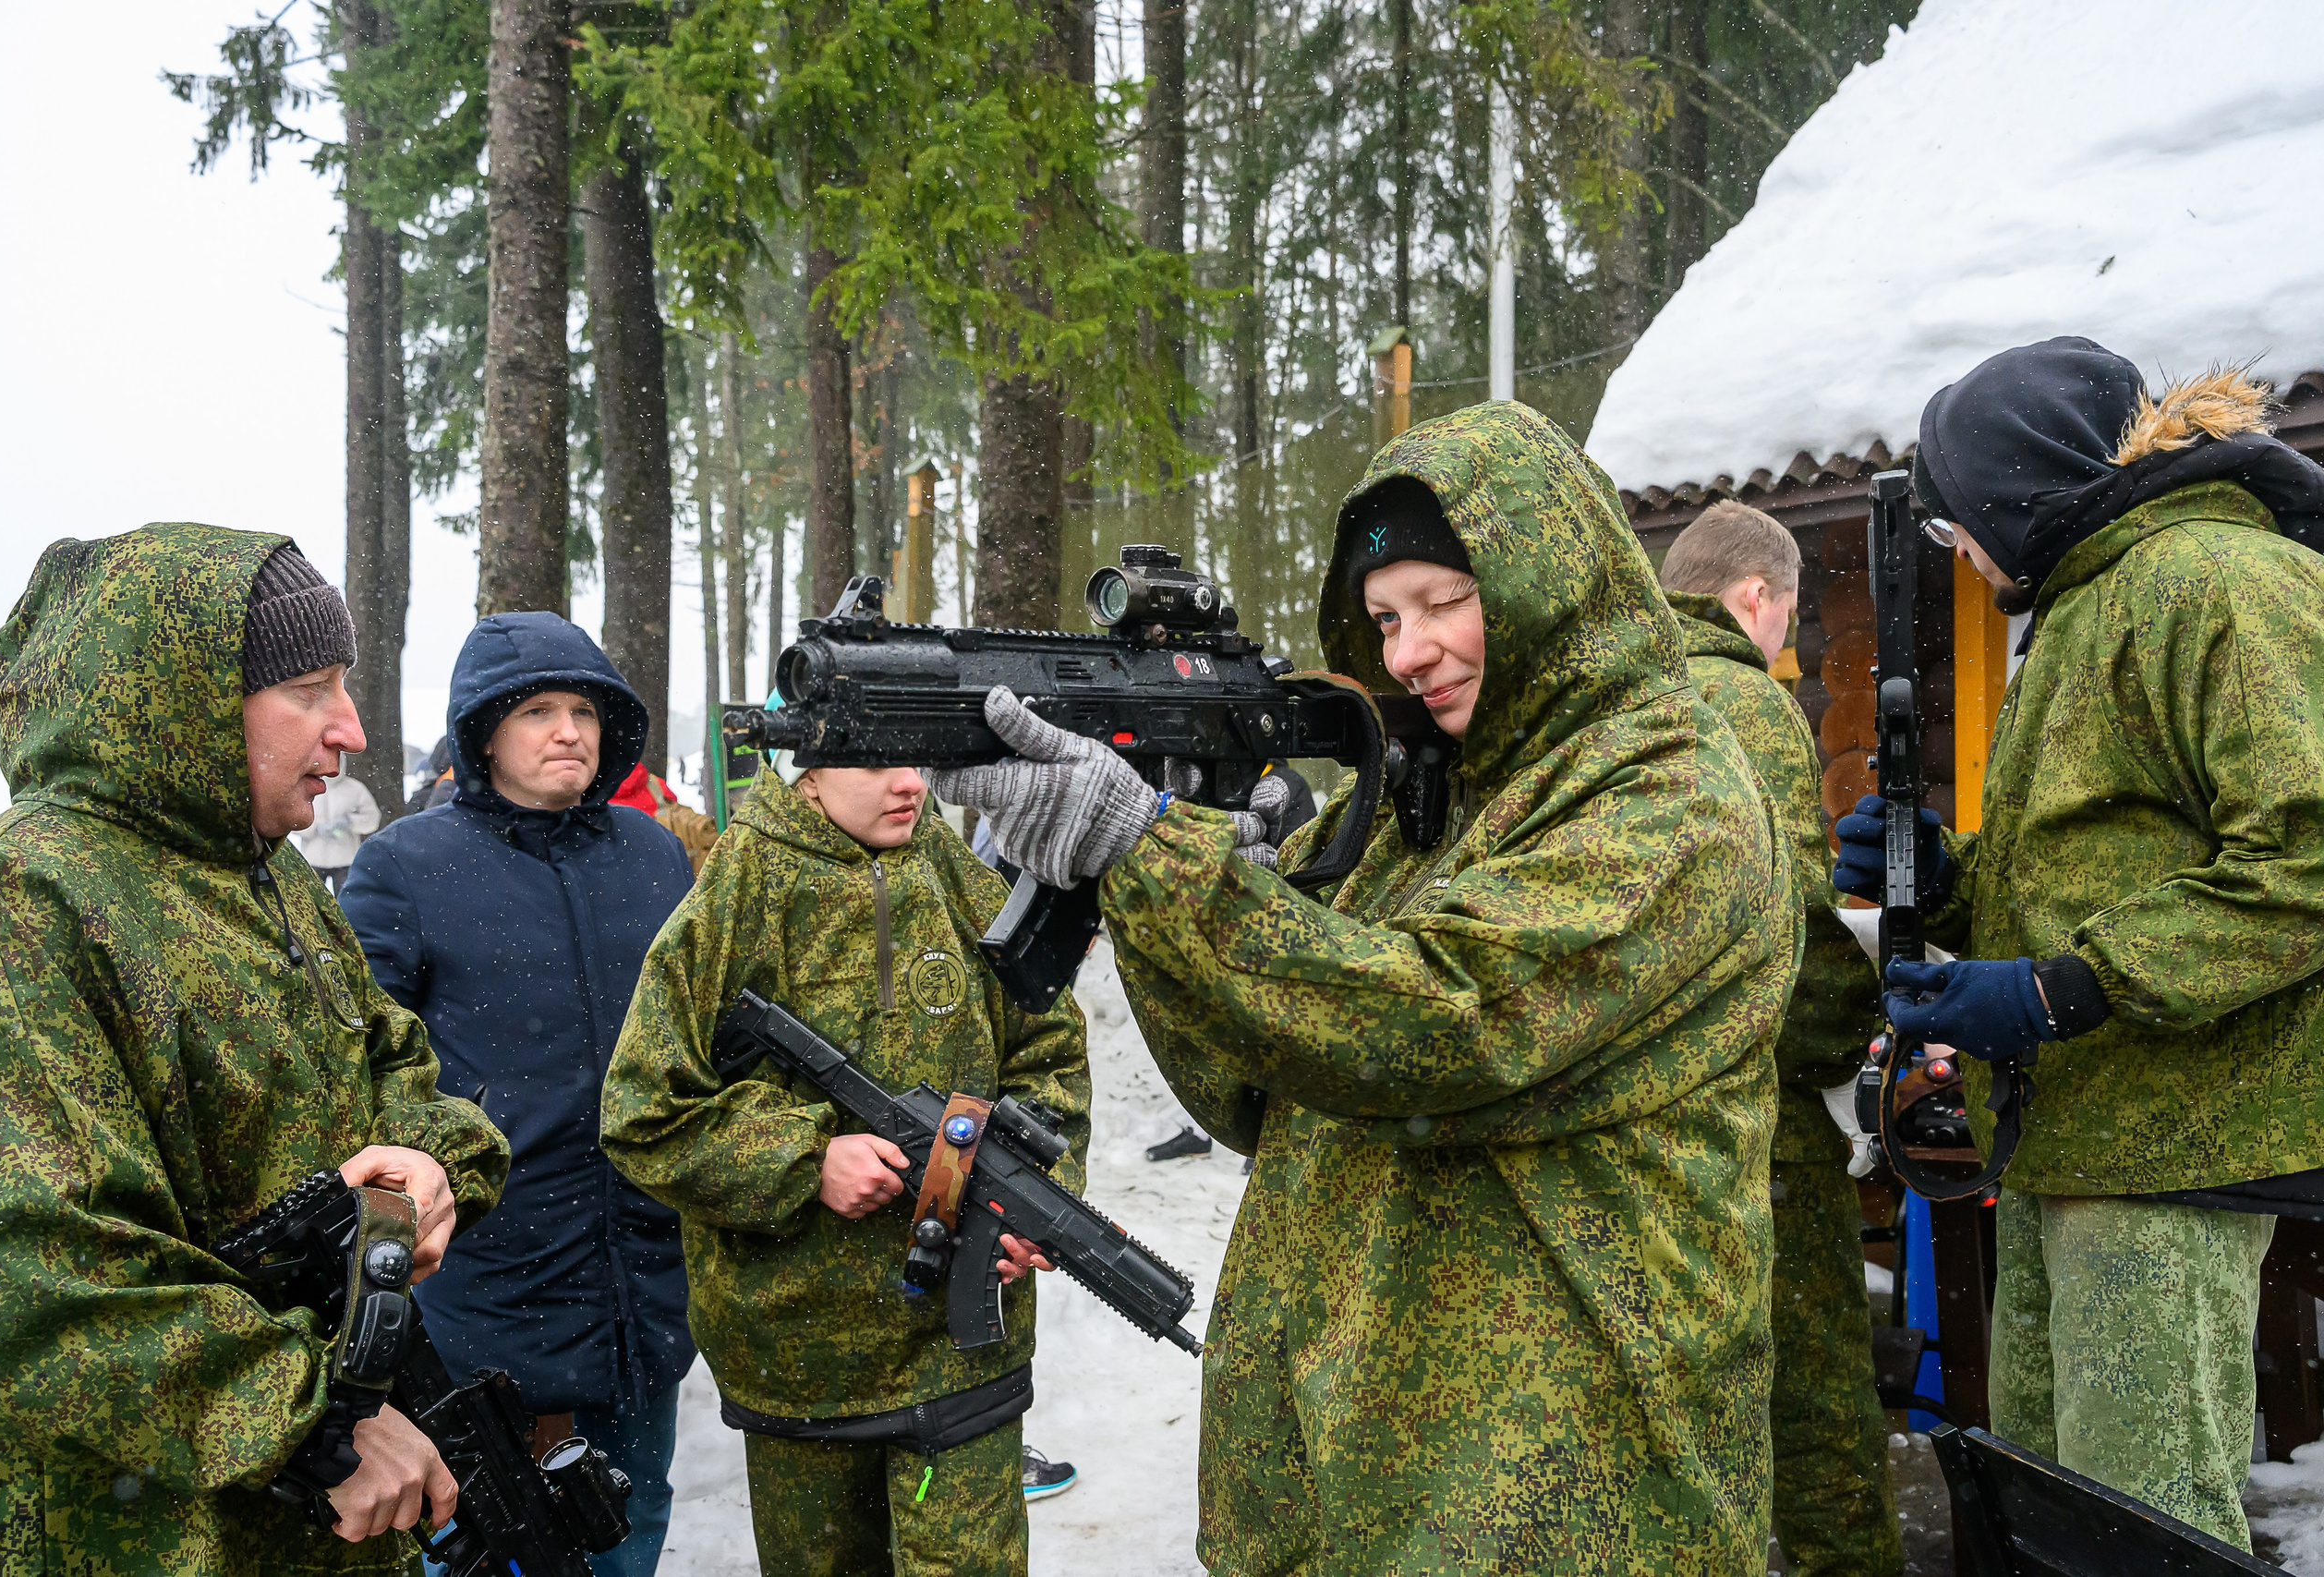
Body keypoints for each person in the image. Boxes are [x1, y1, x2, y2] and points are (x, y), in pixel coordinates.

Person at [934, 401, 1801, 1574]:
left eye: (1445, 602)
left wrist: (1155, 857)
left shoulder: (1674, 795)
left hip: (1559, 1490)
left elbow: (1440, 1023)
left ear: (1551, 583)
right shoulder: (1418, 799)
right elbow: (1254, 1085)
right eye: (1386, 619)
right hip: (1357, 1470)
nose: (1407, 654)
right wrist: (1186, 881)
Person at [1834, 339, 2324, 1548]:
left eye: (1955, 521)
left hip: (2172, 1146)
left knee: (2144, 1524)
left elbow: (2306, 858)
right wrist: (1940, 880)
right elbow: (2093, 860)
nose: (1957, 549)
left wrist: (2065, 989)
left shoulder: (2218, 583)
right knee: (2054, 1514)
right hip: (2076, 1140)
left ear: (2013, 489)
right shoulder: (2088, 603)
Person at [0, 526, 508, 1574]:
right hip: (127, 1534)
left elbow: (395, 1065)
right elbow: (25, 1265)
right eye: (308, 689)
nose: (350, 727)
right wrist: (309, 1423)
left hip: (312, 1526)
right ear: (184, 699)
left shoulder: (273, 876)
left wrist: (431, 1163)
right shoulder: (20, 897)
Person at [599, 732, 1090, 1576]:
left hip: (964, 1353)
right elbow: (643, 1113)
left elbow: (1050, 1051)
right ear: (810, 767)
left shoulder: (962, 881)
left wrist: (1036, 1191)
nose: (909, 782)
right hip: (800, 1362)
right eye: (875, 761)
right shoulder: (739, 892)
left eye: (915, 758)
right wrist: (806, 1159)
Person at [340, 613, 697, 1577]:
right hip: (490, 1291)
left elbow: (706, 1035)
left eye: (585, 709)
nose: (568, 731)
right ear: (484, 732)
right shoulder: (406, 866)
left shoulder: (653, 854)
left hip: (644, 1288)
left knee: (631, 1517)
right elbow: (354, 1062)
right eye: (537, 710)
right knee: (490, 1539)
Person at [1657, 503, 1901, 1577]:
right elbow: (1793, 943)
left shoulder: (1608, 699)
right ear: (1755, 596)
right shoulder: (1742, 702)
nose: (1787, 648)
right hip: (1758, 1124)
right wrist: (1854, 1032)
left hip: (1637, 1128)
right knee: (1818, 1413)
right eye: (1791, 623)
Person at [297, 769, 381, 892]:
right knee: (310, 899)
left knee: (346, 900)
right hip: (313, 860)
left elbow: (373, 819)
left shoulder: (355, 789)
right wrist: (314, 828)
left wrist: (350, 821)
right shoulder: (306, 786)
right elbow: (292, 819)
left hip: (345, 861)